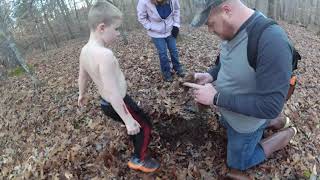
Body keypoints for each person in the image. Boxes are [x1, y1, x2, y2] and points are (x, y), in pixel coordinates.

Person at [183, 0, 297, 176]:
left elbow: (271, 106)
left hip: (246, 124)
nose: (210, 30)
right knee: (229, 125)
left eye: (210, 24)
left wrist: (216, 98)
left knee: (237, 164)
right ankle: (274, 123)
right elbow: (227, 62)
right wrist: (211, 75)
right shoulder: (232, 29)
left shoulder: (271, 41)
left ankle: (287, 134)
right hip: (230, 113)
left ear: (227, 10)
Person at [77, 1, 159, 173]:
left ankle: (134, 136)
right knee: (145, 125)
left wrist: (81, 94)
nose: (118, 33)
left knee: (136, 123)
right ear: (101, 28)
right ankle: (139, 159)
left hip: (105, 104)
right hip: (118, 101)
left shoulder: (85, 51)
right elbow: (113, 92)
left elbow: (83, 76)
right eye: (115, 29)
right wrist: (128, 120)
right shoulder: (105, 55)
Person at [137, 0, 185, 82]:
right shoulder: (144, 2)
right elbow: (141, 17)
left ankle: (178, 68)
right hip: (156, 33)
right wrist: (150, 27)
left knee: (174, 50)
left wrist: (176, 25)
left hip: (170, 29)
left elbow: (177, 10)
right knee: (163, 53)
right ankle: (166, 73)